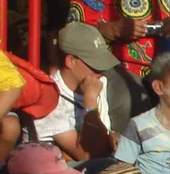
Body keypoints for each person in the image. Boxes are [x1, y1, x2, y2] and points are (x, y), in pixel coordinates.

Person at [33, 22, 120, 160]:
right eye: (95, 65)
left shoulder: (97, 81)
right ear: (70, 61)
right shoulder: (49, 100)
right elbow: (89, 154)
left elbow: (100, 141)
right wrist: (90, 98)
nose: (102, 72)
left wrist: (110, 137)